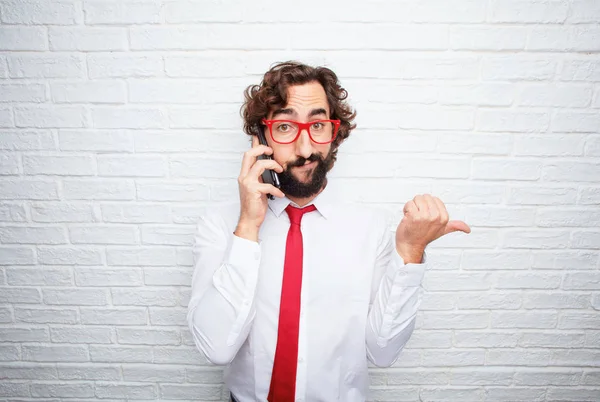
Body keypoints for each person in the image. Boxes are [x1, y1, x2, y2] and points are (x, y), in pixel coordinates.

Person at [187, 61, 471, 402]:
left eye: (318, 125)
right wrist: (248, 226)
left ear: (334, 132)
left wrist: (410, 253)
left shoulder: (371, 229)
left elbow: (382, 353)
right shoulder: (220, 225)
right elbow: (216, 348)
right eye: (285, 127)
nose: (306, 150)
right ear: (260, 136)